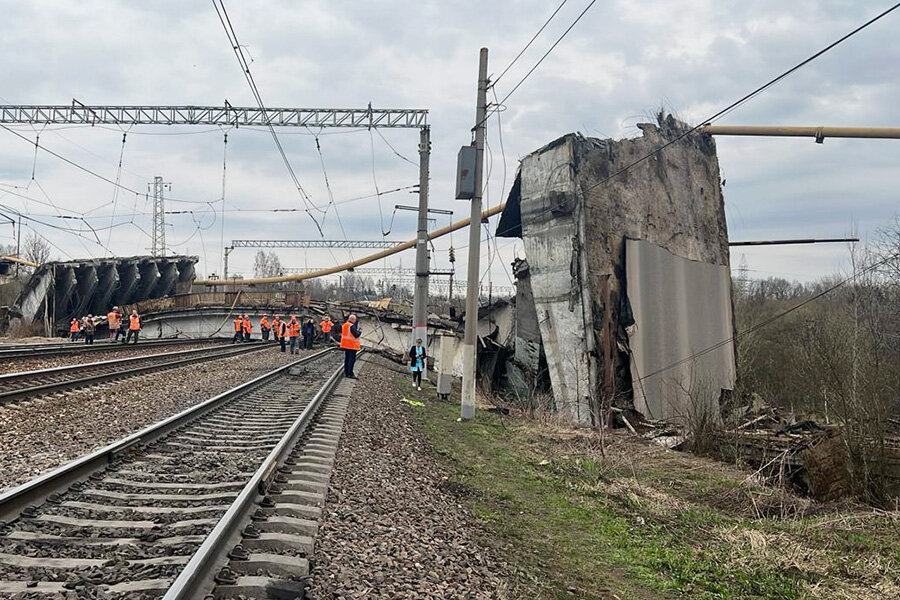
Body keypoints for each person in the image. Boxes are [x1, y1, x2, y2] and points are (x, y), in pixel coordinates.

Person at [340, 314, 361, 378]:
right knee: (351, 360)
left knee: (347, 359)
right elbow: (356, 335)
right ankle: (350, 373)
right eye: (355, 320)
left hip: (346, 345)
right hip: (352, 345)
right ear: (352, 319)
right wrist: (359, 331)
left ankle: (346, 373)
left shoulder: (344, 325)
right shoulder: (351, 326)